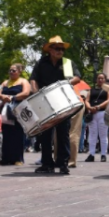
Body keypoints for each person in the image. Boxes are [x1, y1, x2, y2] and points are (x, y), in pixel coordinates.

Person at [29, 36, 81, 175]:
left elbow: (77, 77)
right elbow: (33, 79)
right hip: (45, 101)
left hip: (62, 100)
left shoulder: (67, 63)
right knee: (45, 134)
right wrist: (36, 94)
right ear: (50, 50)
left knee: (63, 133)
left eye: (62, 49)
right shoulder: (41, 62)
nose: (60, 51)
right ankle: (47, 164)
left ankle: (63, 164)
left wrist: (65, 83)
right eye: (57, 48)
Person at [0, 64, 31, 166]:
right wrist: (3, 97)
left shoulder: (23, 81)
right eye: (10, 70)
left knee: (18, 134)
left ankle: (17, 159)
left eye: (14, 70)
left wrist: (13, 97)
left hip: (18, 110)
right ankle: (5, 158)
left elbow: (26, 93)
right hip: (5, 110)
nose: (11, 72)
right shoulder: (5, 82)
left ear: (19, 72)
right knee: (6, 133)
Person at [85, 74, 109, 163]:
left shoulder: (107, 90)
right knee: (92, 134)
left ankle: (103, 154)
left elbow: (108, 100)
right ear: (96, 80)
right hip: (92, 113)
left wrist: (98, 107)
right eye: (98, 78)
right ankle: (91, 154)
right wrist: (89, 108)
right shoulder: (91, 90)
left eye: (102, 78)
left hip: (102, 113)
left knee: (103, 135)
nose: (100, 80)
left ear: (105, 80)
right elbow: (87, 100)